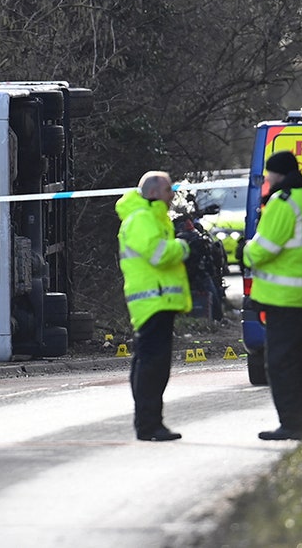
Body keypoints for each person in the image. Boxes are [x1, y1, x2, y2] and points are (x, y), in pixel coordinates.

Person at [241, 150, 302, 440]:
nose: (266, 180)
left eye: (268, 175)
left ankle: (291, 423)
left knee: (281, 363)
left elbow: (264, 249)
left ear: (277, 175)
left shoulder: (282, 202)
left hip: (283, 298)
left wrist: (246, 249)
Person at [115, 171, 192, 441]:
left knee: (152, 363)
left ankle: (150, 423)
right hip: (152, 301)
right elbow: (158, 254)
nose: (172, 194)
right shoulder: (142, 219)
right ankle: (149, 425)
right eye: (168, 189)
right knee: (152, 365)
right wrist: (183, 246)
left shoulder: (151, 217)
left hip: (158, 300)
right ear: (153, 193)